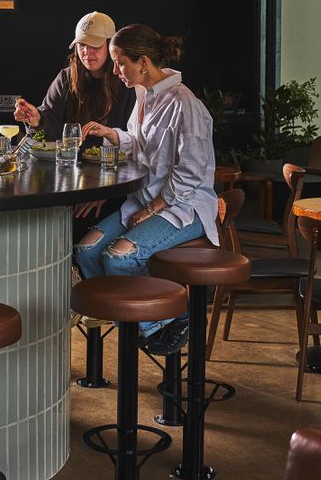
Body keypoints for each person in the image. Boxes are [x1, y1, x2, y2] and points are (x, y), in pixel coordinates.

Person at [74, 23, 219, 355]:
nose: (115, 71)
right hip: (146, 200)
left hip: (184, 207)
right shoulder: (144, 96)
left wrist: (153, 208)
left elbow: (190, 172)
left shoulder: (184, 103)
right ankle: (133, 320)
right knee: (86, 250)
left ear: (142, 62)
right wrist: (113, 135)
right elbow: (140, 146)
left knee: (119, 259)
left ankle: (172, 319)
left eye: (120, 63)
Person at [14, 11, 136, 233]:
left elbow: (137, 146)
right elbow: (49, 132)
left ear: (111, 46)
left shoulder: (127, 83)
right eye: (81, 45)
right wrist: (36, 119)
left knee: (80, 224)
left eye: (95, 45)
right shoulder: (66, 78)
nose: (87, 52)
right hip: (70, 180)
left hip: (116, 184)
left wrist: (105, 192)